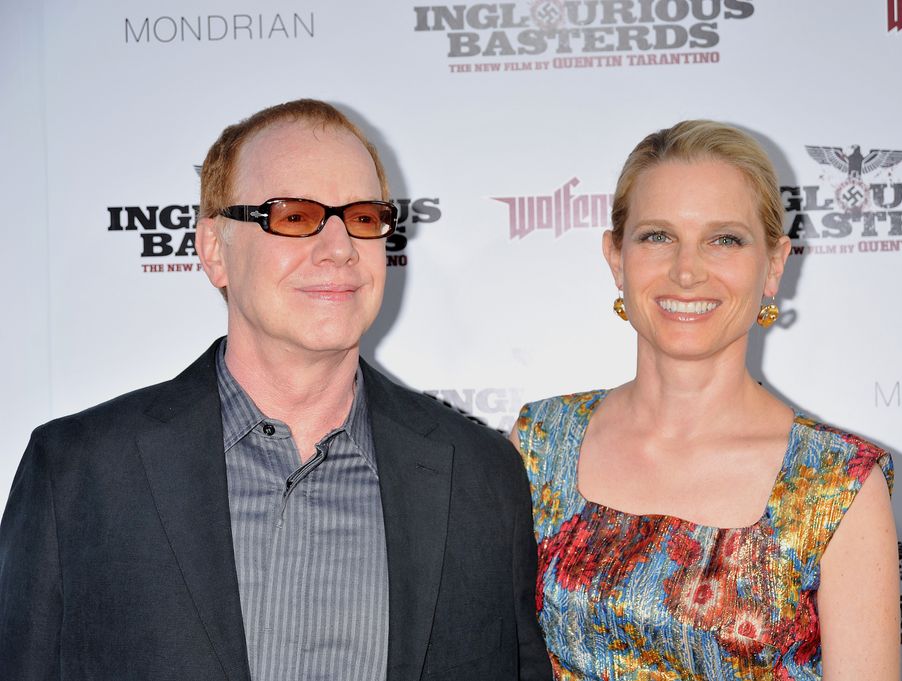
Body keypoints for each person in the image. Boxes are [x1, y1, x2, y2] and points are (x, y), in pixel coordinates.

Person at [0, 99, 551, 681]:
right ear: (215, 250)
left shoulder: (481, 475)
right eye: (293, 216)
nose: (340, 248)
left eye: (363, 218)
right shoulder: (78, 472)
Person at [511, 121, 899, 680]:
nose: (687, 270)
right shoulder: (539, 444)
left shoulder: (837, 484)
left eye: (725, 239)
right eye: (657, 236)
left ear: (774, 264)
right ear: (616, 257)